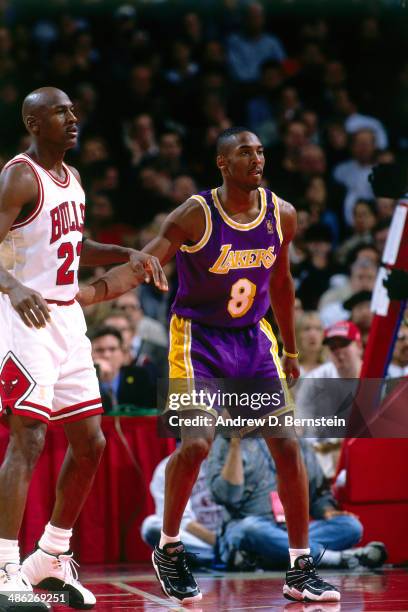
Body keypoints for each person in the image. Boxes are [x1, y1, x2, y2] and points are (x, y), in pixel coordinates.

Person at [138, 127, 340, 603]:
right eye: (244, 152)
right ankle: (169, 549)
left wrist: (290, 350)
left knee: (288, 448)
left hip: (253, 340)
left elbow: (284, 284)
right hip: (198, 338)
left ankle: (299, 568)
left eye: (261, 151)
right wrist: (92, 288)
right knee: (197, 445)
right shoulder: (195, 213)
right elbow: (146, 262)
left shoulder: (281, 214)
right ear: (222, 164)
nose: (257, 158)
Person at [0, 87, 166, 610]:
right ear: (33, 122)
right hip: (23, 317)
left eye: (73, 111)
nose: (72, 119)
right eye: (59, 112)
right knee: (28, 441)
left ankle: (50, 556)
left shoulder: (72, 179)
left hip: (68, 319)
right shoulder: (19, 175)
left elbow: (72, 245)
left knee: (91, 442)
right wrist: (13, 285)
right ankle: (5, 566)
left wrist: (125, 252)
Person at [207, 437, 387, 571]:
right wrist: (235, 444)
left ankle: (268, 557)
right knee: (249, 529)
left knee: (351, 527)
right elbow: (226, 496)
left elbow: (317, 494)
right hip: (250, 528)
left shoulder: (296, 441)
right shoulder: (225, 442)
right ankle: (336, 558)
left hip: (292, 530)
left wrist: (327, 510)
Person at [141, 455, 224, 568]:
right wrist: (221, 544)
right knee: (151, 526)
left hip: (233, 536)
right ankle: (217, 557)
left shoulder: (229, 459)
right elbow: (180, 521)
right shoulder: (169, 467)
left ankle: (223, 556)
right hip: (200, 542)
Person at [91, 326, 156, 412]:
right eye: (99, 350)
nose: (106, 355)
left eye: (112, 349)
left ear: (123, 353)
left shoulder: (140, 376)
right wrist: (98, 376)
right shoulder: (82, 383)